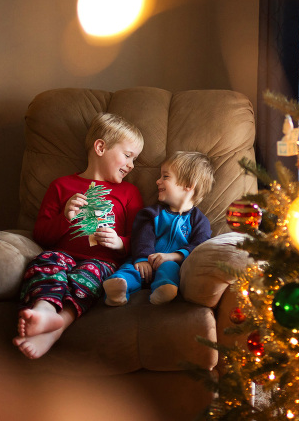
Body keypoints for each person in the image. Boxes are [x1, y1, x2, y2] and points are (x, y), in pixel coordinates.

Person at [12, 112, 145, 359]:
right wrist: (65, 216)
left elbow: (140, 240)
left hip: (103, 263)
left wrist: (120, 243)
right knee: (44, 262)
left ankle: (57, 327)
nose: (132, 165)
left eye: (135, 159)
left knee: (88, 278)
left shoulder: (129, 193)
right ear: (101, 147)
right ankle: (44, 310)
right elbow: (40, 235)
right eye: (128, 156)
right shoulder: (61, 186)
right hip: (62, 254)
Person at [103, 151, 215, 306]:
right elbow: (142, 238)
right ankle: (118, 288)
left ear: (188, 185)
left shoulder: (199, 221)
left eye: (165, 176)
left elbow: (199, 245)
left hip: (172, 265)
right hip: (144, 262)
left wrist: (174, 256)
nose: (157, 181)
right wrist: (142, 258)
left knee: (169, 268)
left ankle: (164, 289)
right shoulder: (151, 214)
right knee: (130, 269)